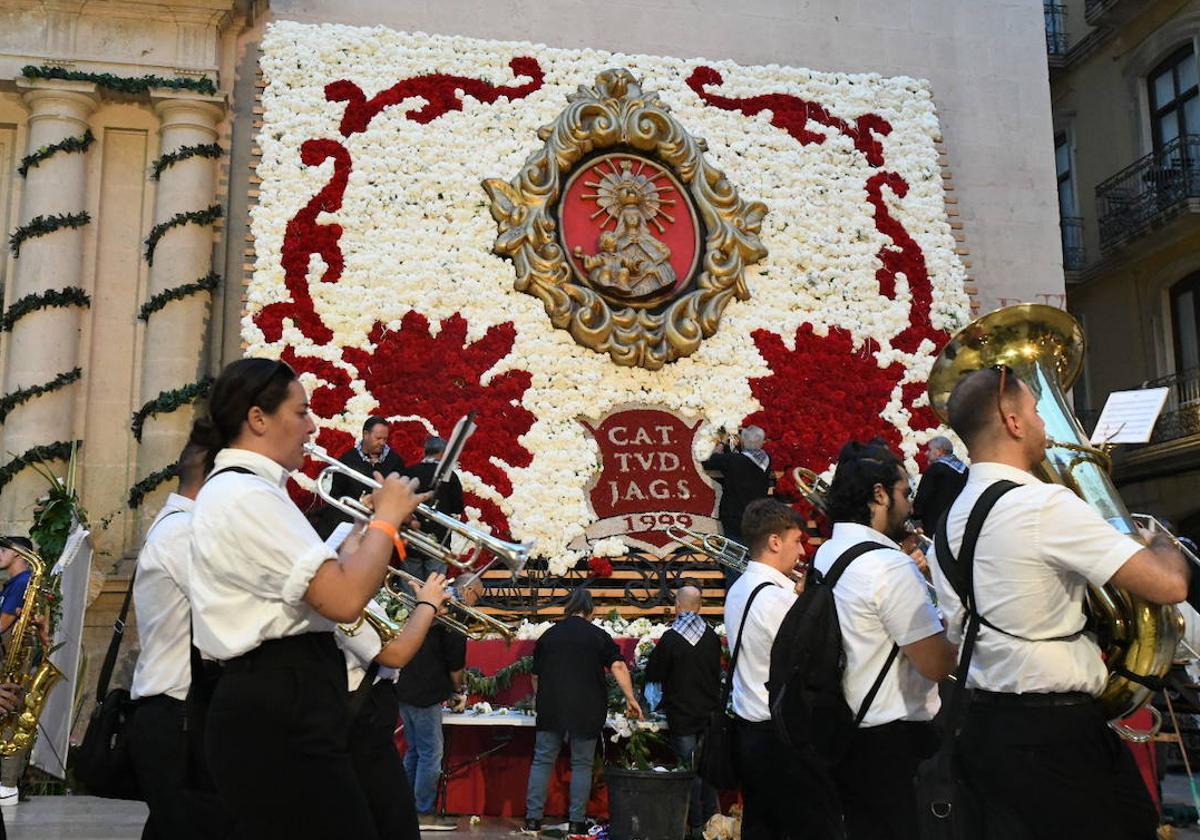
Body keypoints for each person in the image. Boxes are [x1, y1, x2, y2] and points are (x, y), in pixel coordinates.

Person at [187, 357, 448, 840]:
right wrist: (386, 522)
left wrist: (369, 525)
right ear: (258, 418)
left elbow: (334, 577)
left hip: (286, 692)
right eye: (301, 412)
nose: (312, 426)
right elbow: (345, 596)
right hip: (279, 696)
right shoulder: (247, 496)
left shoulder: (253, 492)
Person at [930, 366, 1190, 840]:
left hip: (985, 727)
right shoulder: (1043, 504)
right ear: (1013, 423)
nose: (1045, 426)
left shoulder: (947, 522)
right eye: (1036, 412)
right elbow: (1168, 586)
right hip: (1056, 735)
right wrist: (1161, 543)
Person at [814, 442, 956, 840]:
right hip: (895, 744)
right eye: (905, 493)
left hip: (846, 731)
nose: (910, 505)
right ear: (879, 494)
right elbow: (936, 664)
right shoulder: (889, 566)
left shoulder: (829, 552)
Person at [127, 439, 228, 840]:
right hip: (177, 713)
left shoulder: (178, 526)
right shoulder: (183, 532)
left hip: (178, 710)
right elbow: (229, 610)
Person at [724, 498, 839, 840]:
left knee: (761, 827)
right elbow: (815, 658)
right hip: (780, 737)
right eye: (797, 540)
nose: (802, 551)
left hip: (749, 730)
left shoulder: (739, 588)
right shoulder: (777, 598)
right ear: (774, 542)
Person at [336, 554, 450, 840]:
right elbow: (395, 654)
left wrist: (426, 613)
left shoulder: (362, 600)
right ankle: (423, 809)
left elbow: (393, 639)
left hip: (374, 707)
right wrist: (426, 605)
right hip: (362, 713)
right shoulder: (347, 602)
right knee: (392, 820)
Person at [524, 587, 642, 837]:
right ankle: (576, 822)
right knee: (581, 764)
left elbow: (535, 675)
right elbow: (618, 665)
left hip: (552, 706)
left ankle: (533, 820)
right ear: (590, 611)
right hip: (586, 708)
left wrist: (538, 698)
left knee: (543, 760)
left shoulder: (549, 635)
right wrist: (630, 698)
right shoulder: (597, 635)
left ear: (568, 608)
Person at [394, 580, 482, 831]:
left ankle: (406, 807)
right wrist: (458, 690)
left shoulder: (421, 611)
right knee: (431, 755)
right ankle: (423, 811)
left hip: (404, 688)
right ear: (468, 591)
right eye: (478, 596)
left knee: (414, 752)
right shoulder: (452, 622)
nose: (476, 603)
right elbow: (456, 665)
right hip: (425, 692)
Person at [643, 584, 721, 839]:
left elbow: (654, 675)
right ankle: (712, 823)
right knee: (708, 771)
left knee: (689, 773)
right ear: (699, 607)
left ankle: (695, 827)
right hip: (709, 713)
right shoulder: (711, 638)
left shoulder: (670, 638)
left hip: (682, 715)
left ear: (678, 606)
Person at [702, 427, 773, 585]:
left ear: (742, 440)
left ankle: (736, 600)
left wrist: (721, 443)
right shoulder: (766, 460)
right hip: (756, 518)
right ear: (761, 442)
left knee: (734, 564)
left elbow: (711, 459)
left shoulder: (734, 461)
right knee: (754, 564)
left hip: (734, 518)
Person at [317, 415, 407, 538]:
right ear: (365, 434)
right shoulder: (347, 460)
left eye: (385, 439)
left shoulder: (395, 461)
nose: (382, 443)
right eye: (378, 438)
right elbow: (336, 497)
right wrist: (359, 504)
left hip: (380, 527)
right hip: (351, 525)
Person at [401, 436, 466, 580]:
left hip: (411, 536)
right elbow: (458, 507)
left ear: (426, 452)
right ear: (442, 454)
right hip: (439, 539)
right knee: (435, 583)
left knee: (410, 582)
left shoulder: (409, 472)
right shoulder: (450, 476)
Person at [0, 536, 34, 807]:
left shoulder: (22, 582)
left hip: (12, 661)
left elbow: (4, 623)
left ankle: (8, 784)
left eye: (3, 550)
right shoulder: (14, 583)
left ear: (20, 554)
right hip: (9, 657)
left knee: (10, 717)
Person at [911, 435, 967, 537]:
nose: (927, 453)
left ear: (939, 451)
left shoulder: (936, 468)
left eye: (929, 449)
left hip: (930, 524)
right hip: (952, 527)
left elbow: (923, 495)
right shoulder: (965, 471)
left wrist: (916, 518)